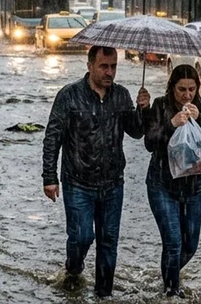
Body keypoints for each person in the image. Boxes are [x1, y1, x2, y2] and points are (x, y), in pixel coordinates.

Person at [42, 46, 150, 298]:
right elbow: (52, 137)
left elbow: (135, 131)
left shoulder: (121, 96)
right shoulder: (69, 96)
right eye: (104, 66)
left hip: (113, 183)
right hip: (78, 182)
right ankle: (74, 267)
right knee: (81, 236)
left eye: (113, 66)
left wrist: (142, 109)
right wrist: (49, 177)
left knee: (108, 241)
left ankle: (104, 294)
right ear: (90, 65)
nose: (109, 72)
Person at [143, 64, 201, 298]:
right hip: (162, 184)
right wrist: (172, 124)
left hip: (194, 186)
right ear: (171, 88)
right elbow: (149, 142)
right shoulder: (160, 105)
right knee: (174, 242)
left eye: (192, 89)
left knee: (190, 245)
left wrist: (200, 120)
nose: (187, 95)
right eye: (181, 89)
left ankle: (167, 277)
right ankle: (171, 292)